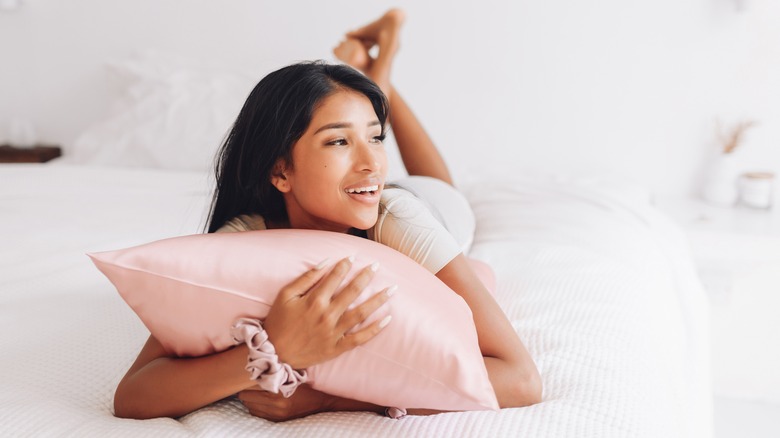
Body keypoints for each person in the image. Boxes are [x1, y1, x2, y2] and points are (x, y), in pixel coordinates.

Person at [113, 9, 541, 422]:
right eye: (338, 142)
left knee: (443, 189)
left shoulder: (397, 219)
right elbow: (133, 396)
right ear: (280, 170)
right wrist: (271, 350)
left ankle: (382, 73)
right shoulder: (243, 240)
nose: (373, 160)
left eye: (376, 137)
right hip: (368, 198)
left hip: (428, 209)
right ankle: (374, 73)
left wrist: (328, 401)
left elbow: (520, 381)